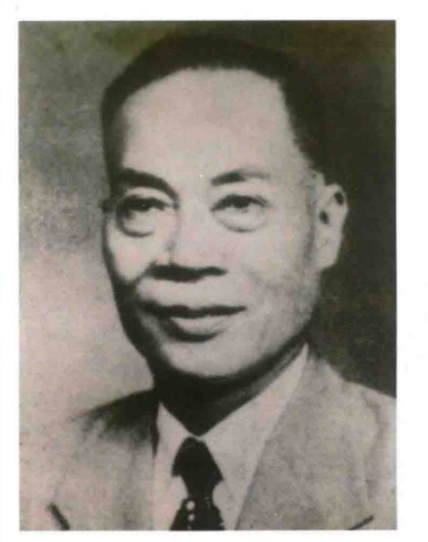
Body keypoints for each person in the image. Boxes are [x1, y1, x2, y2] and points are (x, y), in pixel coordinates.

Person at [21, 33, 395, 530]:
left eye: (239, 203)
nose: (188, 257)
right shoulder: (25, 476)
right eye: (144, 204)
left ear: (324, 226)